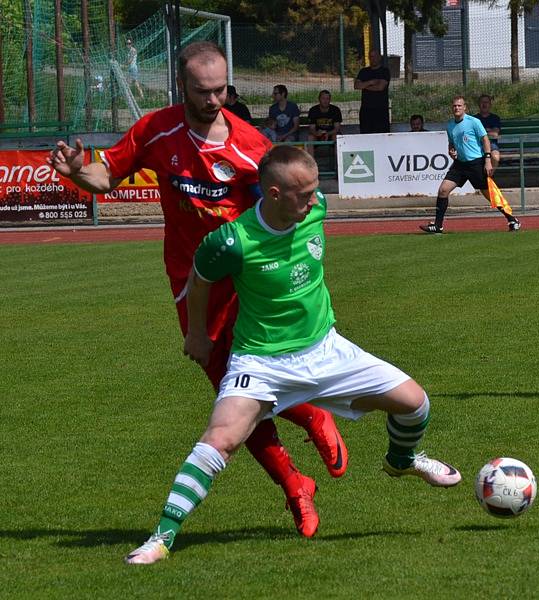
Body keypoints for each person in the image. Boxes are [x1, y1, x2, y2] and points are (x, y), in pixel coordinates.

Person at [47, 41, 346, 539]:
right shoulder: (155, 130)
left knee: (244, 388)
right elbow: (106, 177)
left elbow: (286, 213)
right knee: (227, 390)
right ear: (180, 86)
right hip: (190, 283)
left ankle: (311, 425)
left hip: (246, 282)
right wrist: (77, 170)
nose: (214, 100)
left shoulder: (251, 146)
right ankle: (297, 482)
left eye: (221, 89)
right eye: (203, 90)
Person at [124, 145, 462, 565]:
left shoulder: (315, 207)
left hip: (327, 349)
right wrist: (197, 334)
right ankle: (161, 539)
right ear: (274, 193)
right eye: (303, 193)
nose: (314, 200)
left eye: (314, 190)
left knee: (416, 404)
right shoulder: (232, 241)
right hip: (261, 363)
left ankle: (403, 459)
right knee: (221, 439)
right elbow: (199, 279)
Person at [419, 95, 520, 234]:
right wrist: (451, 151)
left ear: (464, 107)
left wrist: (488, 160)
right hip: (460, 164)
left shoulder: (474, 122)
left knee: (489, 194)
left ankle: (512, 219)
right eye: (454, 106)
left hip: (476, 164)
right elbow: (452, 144)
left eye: (459, 106)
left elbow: (485, 140)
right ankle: (438, 225)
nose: (457, 108)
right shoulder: (450, 125)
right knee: (443, 190)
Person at [354, 49, 391, 134]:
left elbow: (380, 87)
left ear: (379, 58)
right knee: (366, 134)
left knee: (382, 134)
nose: (373, 59)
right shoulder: (363, 71)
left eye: (375, 56)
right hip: (366, 110)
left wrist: (365, 86)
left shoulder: (385, 71)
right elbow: (357, 86)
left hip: (381, 110)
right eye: (371, 57)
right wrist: (371, 82)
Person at [307, 90, 343, 157]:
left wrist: (327, 133)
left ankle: (338, 163)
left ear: (330, 100)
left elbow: (337, 128)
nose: (325, 101)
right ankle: (310, 164)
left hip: (331, 134)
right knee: (310, 137)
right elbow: (311, 128)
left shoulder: (335, 110)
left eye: (327, 99)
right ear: (319, 99)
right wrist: (317, 133)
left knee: (337, 137)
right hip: (317, 135)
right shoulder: (313, 110)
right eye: (323, 98)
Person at [474, 94, 502, 168]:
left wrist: (480, 131)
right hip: (476, 144)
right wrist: (488, 130)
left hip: (491, 144)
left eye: (486, 102)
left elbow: (495, 134)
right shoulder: (473, 119)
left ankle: (489, 176)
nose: (484, 104)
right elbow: (472, 133)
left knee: (495, 156)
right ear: (479, 105)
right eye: (482, 102)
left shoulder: (495, 118)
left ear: (490, 105)